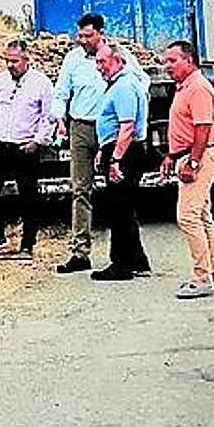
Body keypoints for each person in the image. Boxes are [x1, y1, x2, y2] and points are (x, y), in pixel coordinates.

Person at [52, 13, 149, 274]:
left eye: (87, 35)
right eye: (79, 35)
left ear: (100, 33)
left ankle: (128, 256)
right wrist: (59, 118)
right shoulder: (72, 59)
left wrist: (133, 111)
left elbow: (142, 82)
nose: (82, 40)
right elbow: (61, 92)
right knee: (80, 190)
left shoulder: (119, 57)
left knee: (119, 194)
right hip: (82, 127)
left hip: (113, 131)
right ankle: (80, 253)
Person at [0, 39, 55, 260]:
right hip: (1, 145)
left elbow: (47, 116)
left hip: (25, 147)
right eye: (7, 60)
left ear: (26, 59)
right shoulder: (0, 81)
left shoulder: (41, 83)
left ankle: (27, 245)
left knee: (28, 198)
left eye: (14, 61)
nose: (10, 65)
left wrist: (38, 141)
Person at [160, 40, 214, 299]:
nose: (167, 66)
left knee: (187, 217)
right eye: (166, 61)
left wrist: (193, 162)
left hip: (201, 154)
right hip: (190, 154)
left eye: (172, 61)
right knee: (203, 216)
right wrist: (171, 156)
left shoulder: (197, 87)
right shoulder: (185, 87)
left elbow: (202, 127)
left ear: (189, 60)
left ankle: (201, 277)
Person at [89, 42, 150, 280]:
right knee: (124, 208)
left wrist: (115, 160)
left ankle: (121, 265)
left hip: (125, 153)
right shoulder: (118, 85)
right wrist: (103, 151)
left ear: (118, 62)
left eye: (102, 62)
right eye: (97, 62)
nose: (99, 67)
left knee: (118, 210)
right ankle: (138, 260)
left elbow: (127, 128)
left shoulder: (124, 87)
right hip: (118, 149)